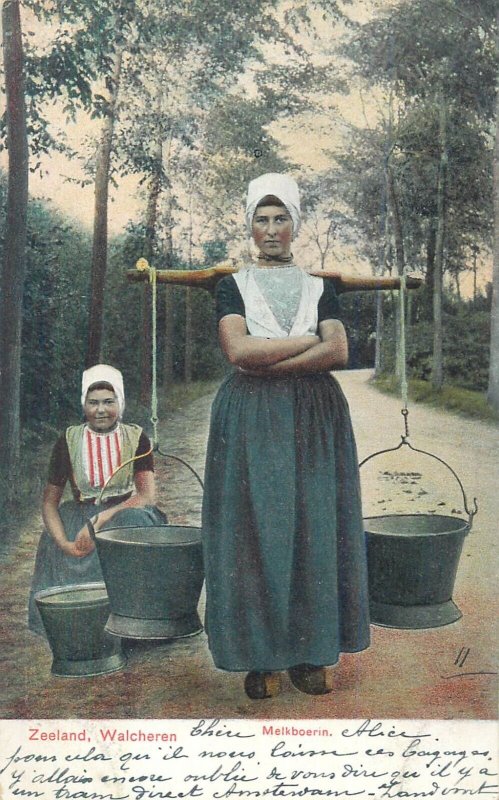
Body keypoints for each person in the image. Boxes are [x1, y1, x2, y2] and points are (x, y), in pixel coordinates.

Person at [202, 173, 370, 699]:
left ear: (296, 225)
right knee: (256, 529)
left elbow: (338, 352)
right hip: (250, 417)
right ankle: (262, 656)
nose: (271, 229)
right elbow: (237, 351)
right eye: (262, 219)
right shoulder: (233, 285)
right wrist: (304, 344)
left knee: (315, 523)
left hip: (314, 418)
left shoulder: (322, 287)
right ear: (250, 226)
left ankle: (312, 652)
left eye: (281, 219)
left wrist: (272, 356)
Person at [28, 364, 166, 636]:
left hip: (125, 514)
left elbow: (147, 495)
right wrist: (65, 544)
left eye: (108, 402)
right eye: (93, 403)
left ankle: (137, 622)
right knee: (63, 536)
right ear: (84, 405)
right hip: (80, 513)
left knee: (133, 527)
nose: (100, 410)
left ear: (120, 403)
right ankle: (79, 628)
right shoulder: (69, 440)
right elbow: (49, 502)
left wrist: (101, 517)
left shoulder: (136, 437)